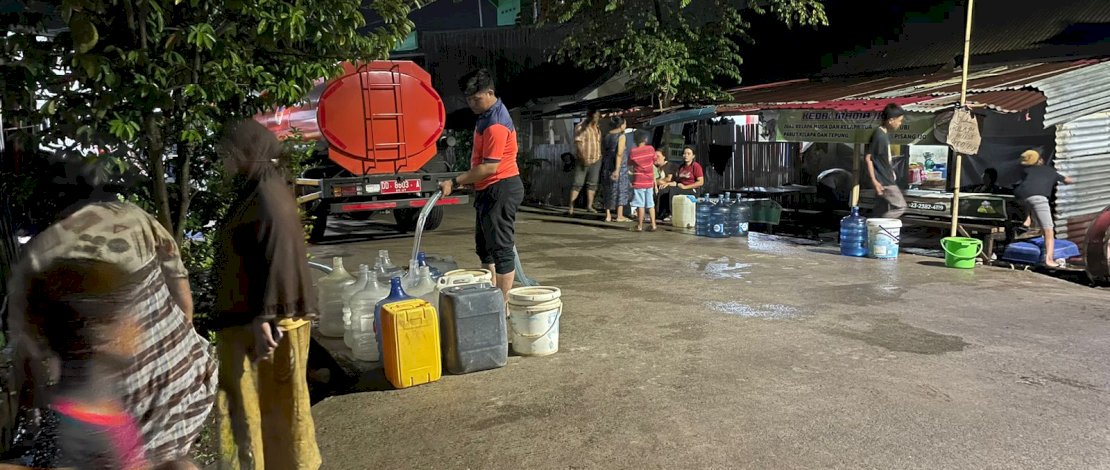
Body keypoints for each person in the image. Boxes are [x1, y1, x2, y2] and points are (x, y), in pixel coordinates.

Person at [8, 158, 215, 468]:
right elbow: (181, 291)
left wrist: (33, 402)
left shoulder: (43, 251)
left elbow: (29, 348)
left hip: (107, 385)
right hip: (175, 369)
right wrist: (177, 344)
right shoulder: (135, 216)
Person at [213, 119, 320, 470]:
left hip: (267, 325)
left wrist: (265, 317)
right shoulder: (259, 188)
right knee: (264, 413)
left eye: (229, 152)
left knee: (275, 414)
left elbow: (280, 255)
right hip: (254, 319)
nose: (225, 160)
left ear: (247, 152)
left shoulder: (267, 195)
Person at [438, 69, 524, 301]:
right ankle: (490, 297)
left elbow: (489, 167)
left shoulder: (496, 123)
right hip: (489, 188)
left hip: (501, 188)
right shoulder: (486, 115)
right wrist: (472, 182)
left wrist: (454, 182)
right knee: (485, 248)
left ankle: (502, 305)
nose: (472, 104)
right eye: (468, 99)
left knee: (501, 250)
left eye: (476, 99)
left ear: (490, 93)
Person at [1014, 149, 1074, 267]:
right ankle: (1049, 260)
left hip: (1020, 196)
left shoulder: (1025, 170)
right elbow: (1067, 180)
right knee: (1048, 230)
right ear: (1040, 160)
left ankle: (1027, 220)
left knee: (1029, 202)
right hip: (1038, 198)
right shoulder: (1050, 171)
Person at [866, 103, 907, 218]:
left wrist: (891, 170)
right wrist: (874, 181)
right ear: (891, 120)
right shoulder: (879, 136)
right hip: (884, 181)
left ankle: (874, 227)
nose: (900, 123)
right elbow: (869, 158)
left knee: (881, 209)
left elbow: (882, 159)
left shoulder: (884, 134)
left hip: (885, 177)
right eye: (899, 120)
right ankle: (881, 225)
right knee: (900, 207)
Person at [657, 146, 705, 221]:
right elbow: (677, 182)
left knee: (673, 191)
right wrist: (668, 184)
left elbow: (701, 182)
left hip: (692, 189)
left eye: (688, 154)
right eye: (684, 153)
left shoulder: (696, 166)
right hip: (680, 187)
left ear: (693, 156)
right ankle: (660, 213)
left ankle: (672, 214)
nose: (686, 155)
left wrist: (685, 187)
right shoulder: (681, 167)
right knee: (664, 190)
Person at [568, 109, 602, 215]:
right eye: (594, 116)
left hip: (596, 159)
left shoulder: (597, 127)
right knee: (577, 183)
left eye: (597, 116)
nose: (596, 119)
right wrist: (583, 158)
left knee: (592, 184)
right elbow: (578, 143)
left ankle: (589, 206)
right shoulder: (581, 127)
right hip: (583, 159)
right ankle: (571, 206)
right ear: (589, 116)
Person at [600, 116, 632, 222]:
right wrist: (617, 169)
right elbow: (619, 153)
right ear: (621, 125)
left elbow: (603, 151)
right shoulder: (621, 136)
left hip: (606, 165)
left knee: (607, 189)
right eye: (625, 124)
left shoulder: (606, 136)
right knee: (620, 190)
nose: (625, 126)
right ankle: (619, 215)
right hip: (619, 166)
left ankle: (608, 215)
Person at [628, 131, 658, 232]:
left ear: (635, 140)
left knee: (640, 204)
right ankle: (653, 225)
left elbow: (630, 163)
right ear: (645, 139)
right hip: (649, 180)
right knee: (650, 203)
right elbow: (654, 160)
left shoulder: (633, 151)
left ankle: (640, 226)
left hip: (639, 181)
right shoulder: (650, 149)